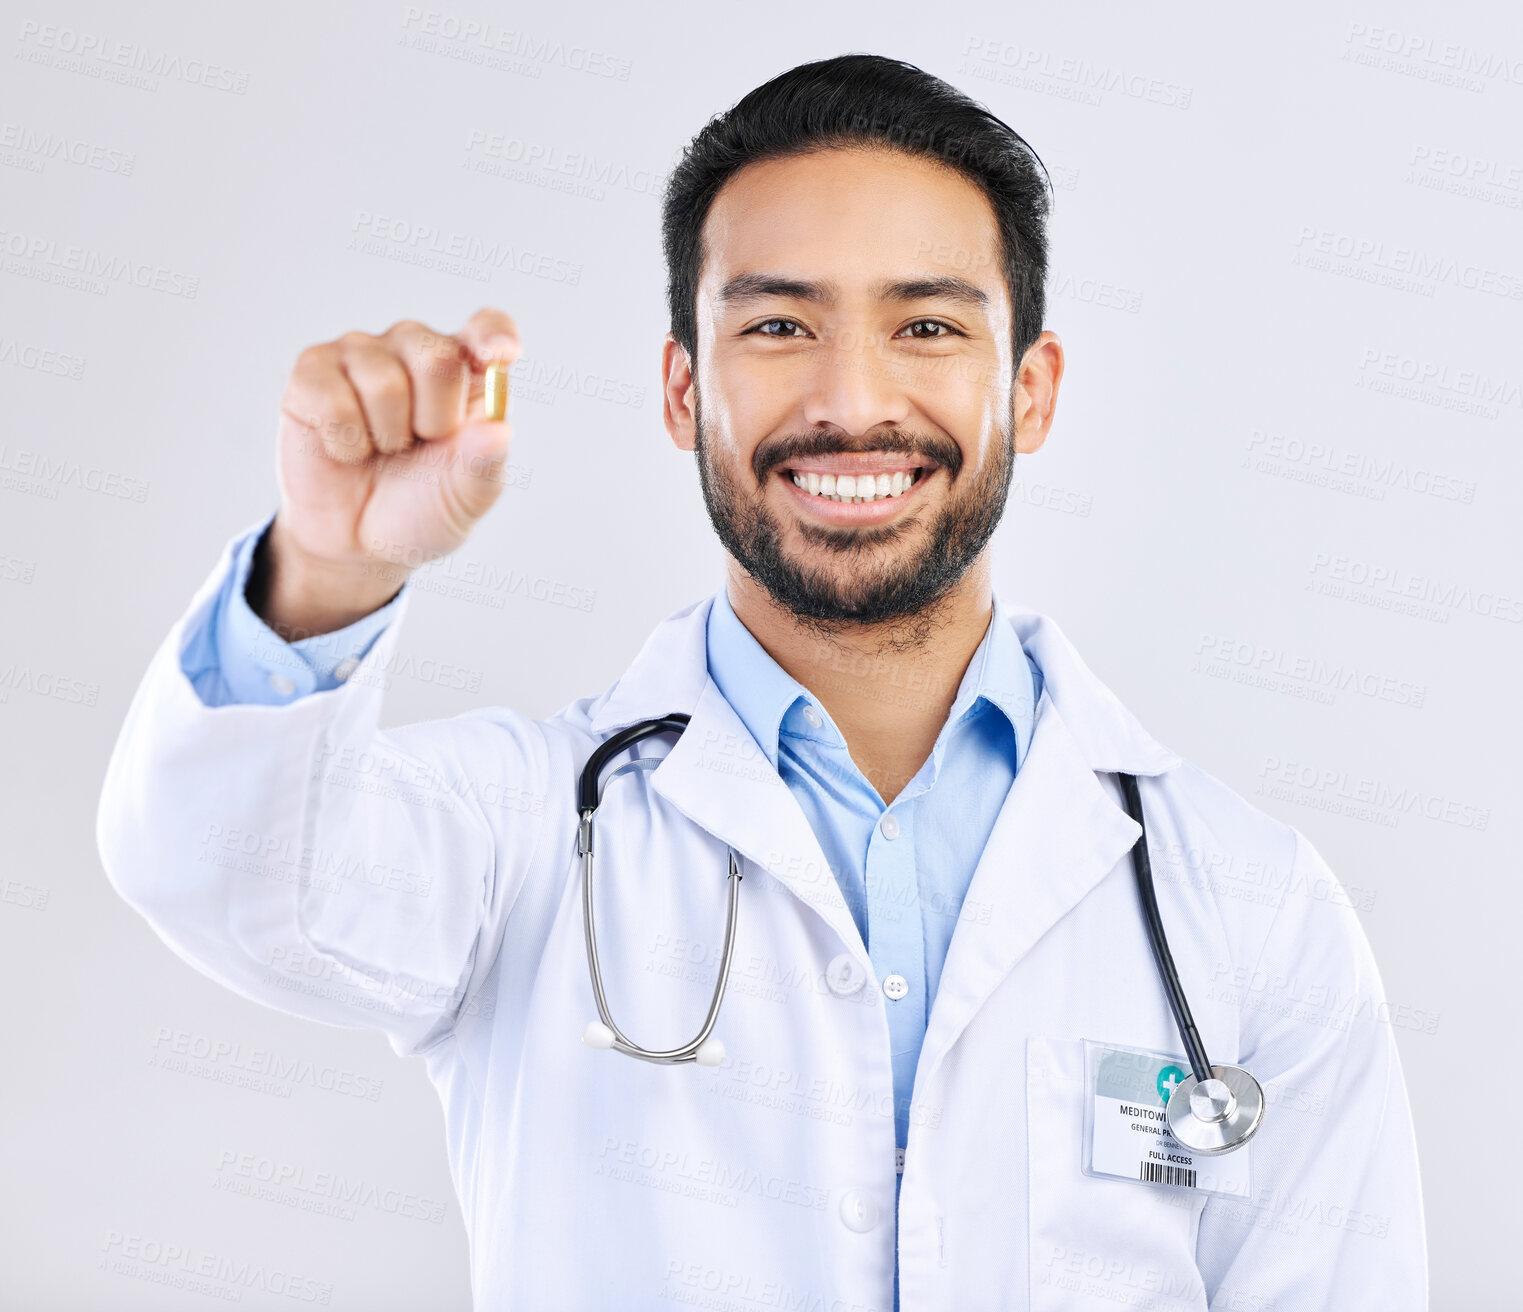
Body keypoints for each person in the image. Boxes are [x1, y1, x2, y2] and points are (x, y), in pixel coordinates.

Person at [98, 53, 1427, 1310]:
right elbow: (224, 876)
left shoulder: (1248, 908)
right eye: (781, 324)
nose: (853, 400)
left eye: (926, 325)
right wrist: (325, 571)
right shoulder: (524, 834)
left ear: (1032, 390)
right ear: (684, 389)